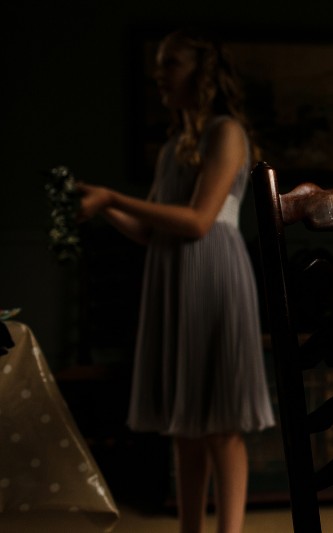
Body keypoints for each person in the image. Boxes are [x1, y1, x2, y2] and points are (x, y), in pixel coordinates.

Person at [76, 29, 274, 533]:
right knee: (185, 427)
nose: (158, 74)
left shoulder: (227, 132)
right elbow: (150, 230)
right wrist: (102, 209)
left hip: (214, 277)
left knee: (221, 424)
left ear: (201, 71)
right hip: (175, 278)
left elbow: (198, 221)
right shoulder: (173, 148)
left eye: (170, 63)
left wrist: (113, 197)